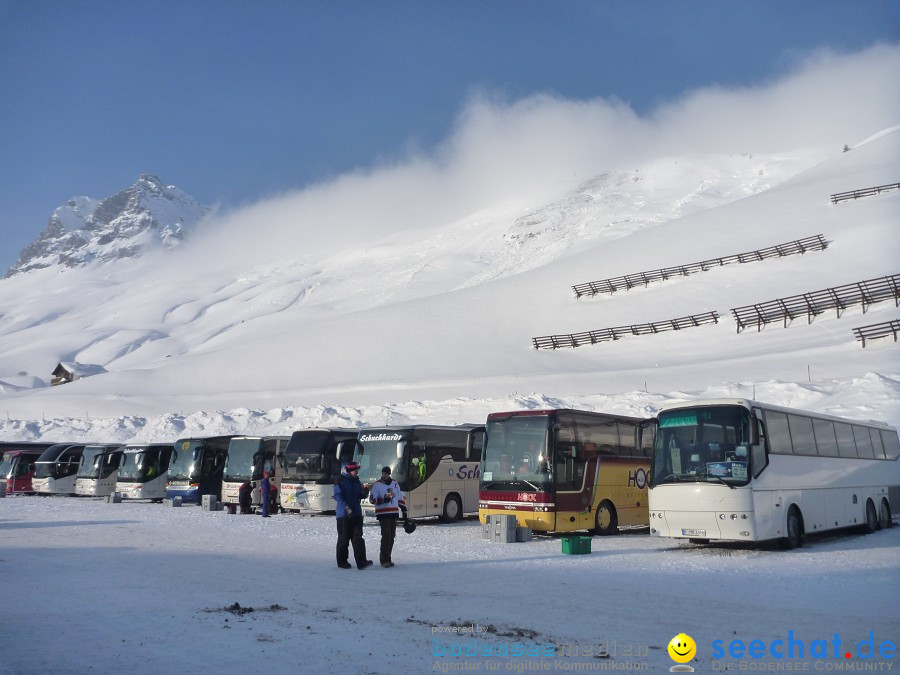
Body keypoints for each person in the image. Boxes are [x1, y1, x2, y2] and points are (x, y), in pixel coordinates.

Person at [333, 462, 372, 570]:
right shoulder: (340, 480)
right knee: (344, 539)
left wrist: (365, 491)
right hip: (344, 515)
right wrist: (346, 507)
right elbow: (337, 495)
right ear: (349, 471)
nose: (357, 472)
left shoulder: (356, 481)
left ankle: (361, 562)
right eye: (355, 470)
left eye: (357, 470)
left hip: (356, 514)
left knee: (358, 538)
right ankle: (342, 562)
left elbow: (360, 495)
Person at [368, 466, 406, 568]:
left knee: (392, 536)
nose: (384, 475)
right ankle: (384, 560)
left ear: (389, 474)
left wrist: (404, 509)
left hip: (393, 513)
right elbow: (372, 500)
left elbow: (399, 497)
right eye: (383, 473)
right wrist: (384, 500)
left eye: (386, 473)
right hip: (383, 514)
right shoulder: (377, 485)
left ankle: (388, 558)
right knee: (386, 536)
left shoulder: (395, 484)